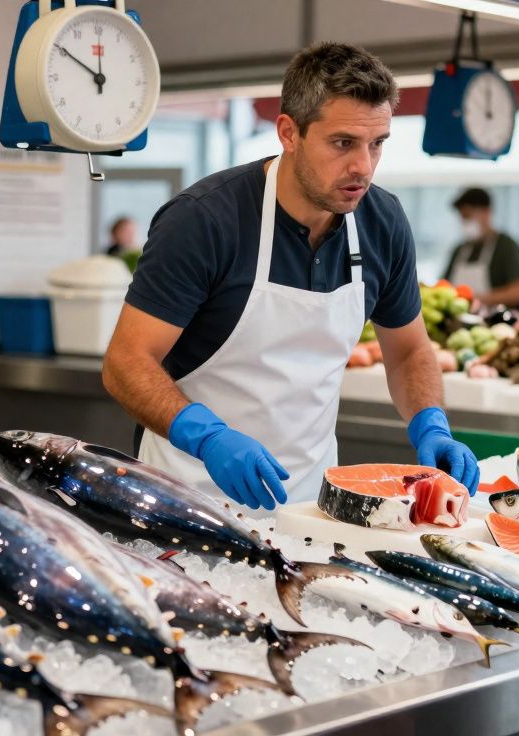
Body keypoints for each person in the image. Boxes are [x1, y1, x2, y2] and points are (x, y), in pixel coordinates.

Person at [102, 42, 479, 511]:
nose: (363, 166)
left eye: (376, 143)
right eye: (343, 143)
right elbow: (126, 362)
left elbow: (408, 352)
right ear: (288, 132)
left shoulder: (382, 222)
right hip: (186, 492)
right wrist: (208, 438)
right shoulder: (204, 220)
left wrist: (430, 423)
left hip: (310, 501)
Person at [440, 187, 519, 315]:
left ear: (487, 213)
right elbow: (444, 287)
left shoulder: (506, 246)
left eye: (468, 216)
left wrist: (474, 299)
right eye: (462, 217)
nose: (464, 222)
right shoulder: (459, 250)